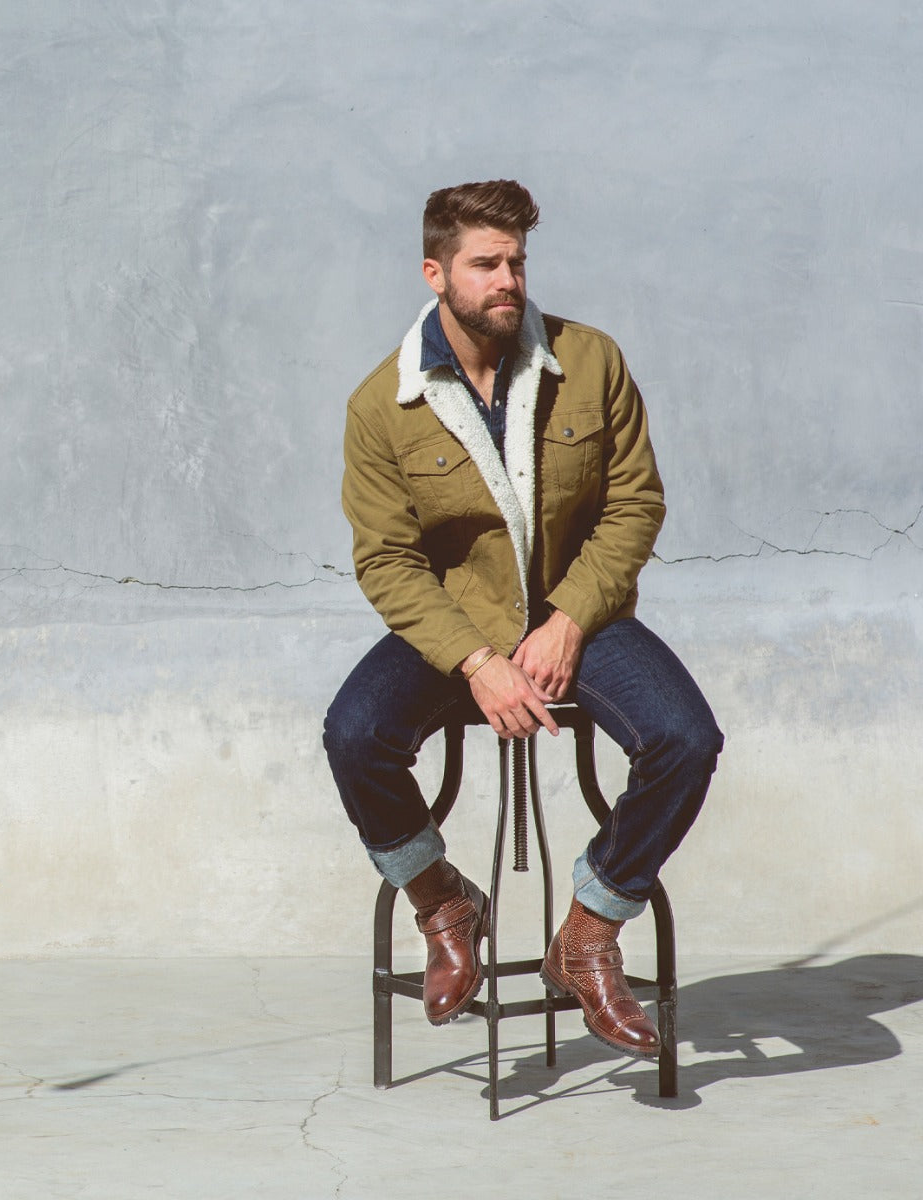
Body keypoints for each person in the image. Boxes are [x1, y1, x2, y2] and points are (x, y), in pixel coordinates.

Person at [323, 179, 723, 1059]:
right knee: (353, 732)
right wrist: (473, 660)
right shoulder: (378, 408)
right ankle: (442, 902)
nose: (508, 279)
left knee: (687, 739)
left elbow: (634, 507)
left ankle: (587, 934)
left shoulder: (592, 362)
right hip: (451, 625)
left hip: (579, 615)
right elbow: (386, 561)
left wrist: (572, 619)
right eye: (485, 264)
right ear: (435, 273)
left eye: (517, 262)